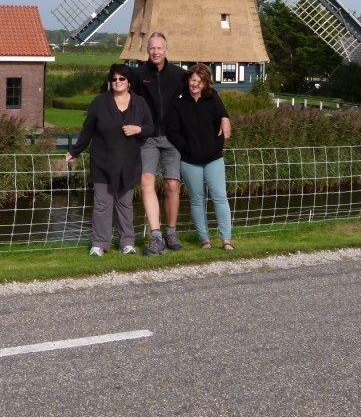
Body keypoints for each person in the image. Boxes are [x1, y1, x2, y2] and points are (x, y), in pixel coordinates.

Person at [132, 33, 229, 255]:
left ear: (167, 50)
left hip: (172, 137)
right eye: (152, 48)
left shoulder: (178, 75)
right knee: (147, 181)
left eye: (160, 48)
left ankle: (171, 231)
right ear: (147, 50)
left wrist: (224, 115)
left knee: (172, 186)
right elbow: (127, 100)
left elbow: (206, 92)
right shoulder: (139, 75)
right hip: (147, 137)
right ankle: (156, 235)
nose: (156, 52)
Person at [66, 63, 153, 256]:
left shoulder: (139, 103)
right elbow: (87, 130)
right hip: (103, 162)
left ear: (129, 82)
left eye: (122, 78)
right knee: (102, 205)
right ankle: (99, 243)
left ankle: (127, 243)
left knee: (125, 204)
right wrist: (75, 151)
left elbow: (150, 127)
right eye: (114, 79)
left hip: (128, 163)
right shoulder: (99, 103)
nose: (117, 82)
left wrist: (138, 129)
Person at [166, 63, 235, 250]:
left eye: (198, 81)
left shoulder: (213, 98)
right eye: (192, 80)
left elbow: (222, 116)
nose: (194, 84)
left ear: (205, 83)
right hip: (190, 160)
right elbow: (172, 130)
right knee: (197, 200)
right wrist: (186, 148)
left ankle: (226, 239)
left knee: (220, 196)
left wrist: (217, 145)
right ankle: (205, 240)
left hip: (213, 157)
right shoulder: (179, 102)